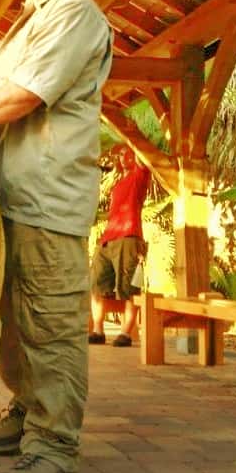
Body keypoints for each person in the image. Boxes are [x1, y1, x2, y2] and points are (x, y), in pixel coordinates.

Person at [0, 0, 113, 473]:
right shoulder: (26, 20)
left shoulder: (73, 12)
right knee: (9, 320)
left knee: (50, 324)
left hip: (46, 200)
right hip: (4, 199)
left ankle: (56, 446)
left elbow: (21, 98)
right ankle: (29, 412)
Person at [89, 145, 150, 347]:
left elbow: (142, 155)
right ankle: (98, 331)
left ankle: (125, 333)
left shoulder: (140, 176)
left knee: (129, 288)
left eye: (127, 152)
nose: (123, 156)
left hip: (129, 236)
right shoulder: (118, 183)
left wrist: (131, 138)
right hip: (107, 239)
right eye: (121, 153)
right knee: (96, 285)